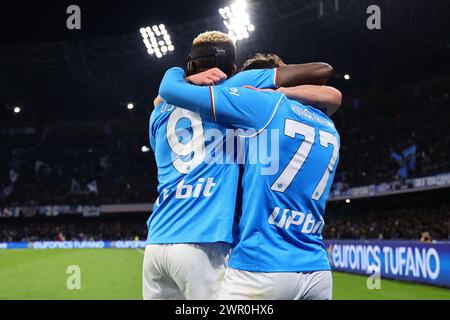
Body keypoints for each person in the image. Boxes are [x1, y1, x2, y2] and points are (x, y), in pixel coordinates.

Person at [143, 31, 335, 300]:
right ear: (233, 69)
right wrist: (281, 93)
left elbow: (162, 98)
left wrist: (178, 76)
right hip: (202, 240)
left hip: (156, 242)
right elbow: (322, 76)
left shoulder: (158, 111)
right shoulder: (239, 87)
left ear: (190, 65)